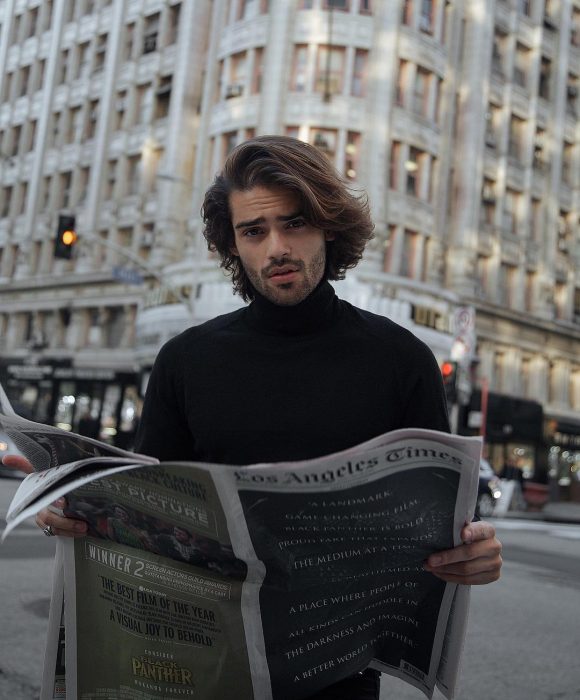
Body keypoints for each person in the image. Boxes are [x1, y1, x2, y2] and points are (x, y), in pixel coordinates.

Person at [4, 136, 502, 699]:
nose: (277, 249)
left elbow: (448, 525)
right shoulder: (185, 361)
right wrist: (72, 510)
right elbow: (145, 510)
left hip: (337, 674)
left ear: (329, 227)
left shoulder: (403, 360)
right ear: (232, 243)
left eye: (295, 224)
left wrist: (476, 549)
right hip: (202, 662)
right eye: (254, 231)